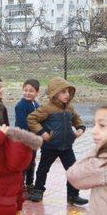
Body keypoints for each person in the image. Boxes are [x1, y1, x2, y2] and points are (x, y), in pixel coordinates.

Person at [27, 77, 87, 205]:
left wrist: (80, 128)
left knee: (73, 171)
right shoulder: (47, 108)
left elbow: (76, 119)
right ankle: (38, 190)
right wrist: (42, 132)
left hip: (67, 147)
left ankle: (73, 195)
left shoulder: (69, 108)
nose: (67, 95)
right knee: (43, 169)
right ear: (54, 93)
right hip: (50, 146)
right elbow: (32, 119)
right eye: (63, 92)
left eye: (68, 92)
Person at [14, 79, 41, 195]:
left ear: (37, 92)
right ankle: (21, 186)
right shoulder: (21, 106)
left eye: (31, 91)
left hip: (33, 140)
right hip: (24, 140)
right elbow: (22, 125)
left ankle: (30, 184)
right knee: (24, 163)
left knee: (31, 162)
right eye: (25, 90)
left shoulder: (36, 105)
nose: (28, 93)